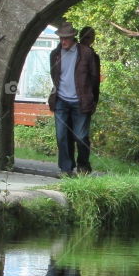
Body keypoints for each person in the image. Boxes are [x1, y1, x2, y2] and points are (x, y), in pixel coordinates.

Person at [48, 21, 99, 175]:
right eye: (61, 38)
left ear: (73, 38)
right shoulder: (55, 54)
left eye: (66, 38)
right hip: (61, 100)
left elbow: (94, 78)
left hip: (81, 101)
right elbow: (54, 76)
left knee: (81, 136)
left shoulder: (86, 53)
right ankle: (66, 168)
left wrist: (94, 100)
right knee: (61, 135)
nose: (63, 41)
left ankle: (83, 165)